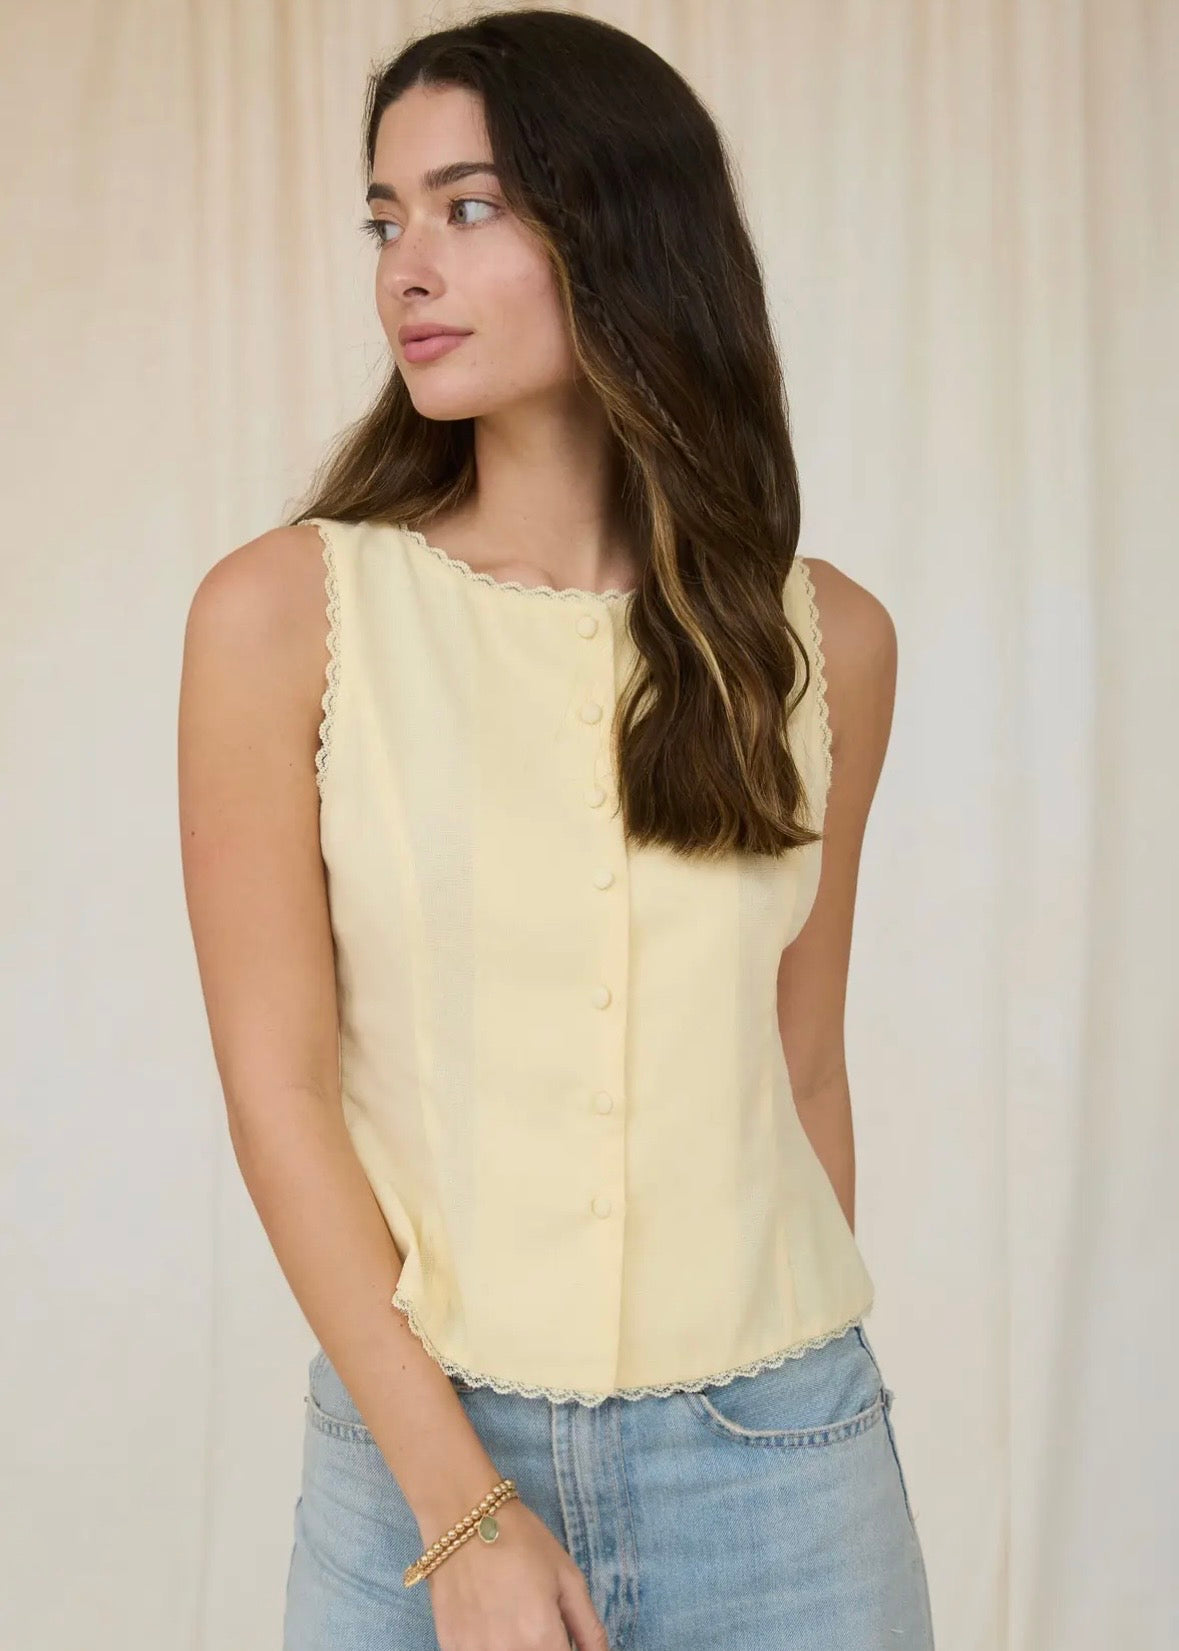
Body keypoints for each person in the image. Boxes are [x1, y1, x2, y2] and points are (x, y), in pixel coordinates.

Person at [178, 9, 935, 1649]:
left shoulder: (826, 641)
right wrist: (461, 1508)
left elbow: (802, 1067)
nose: (407, 269)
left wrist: (764, 1411)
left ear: (625, 230)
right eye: (385, 219)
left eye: (467, 208)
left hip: (782, 1469)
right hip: (414, 1468)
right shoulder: (287, 615)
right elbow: (277, 1091)